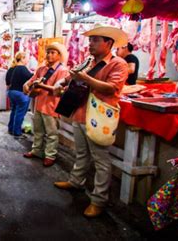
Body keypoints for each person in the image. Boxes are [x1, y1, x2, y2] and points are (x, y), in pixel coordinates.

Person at [53, 25, 128, 218]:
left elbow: (112, 88)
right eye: (90, 40)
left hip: (99, 118)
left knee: (100, 160)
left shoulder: (117, 64)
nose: (90, 44)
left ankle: (98, 200)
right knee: (81, 153)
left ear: (108, 43)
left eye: (95, 40)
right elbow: (72, 77)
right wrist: (61, 83)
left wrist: (85, 78)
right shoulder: (88, 61)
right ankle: (76, 182)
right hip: (80, 113)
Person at [22, 43, 69, 167]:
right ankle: (36, 150)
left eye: (53, 52)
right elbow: (31, 80)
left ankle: (50, 155)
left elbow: (57, 89)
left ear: (59, 55)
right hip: (38, 104)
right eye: (48, 52)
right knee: (38, 130)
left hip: (52, 107)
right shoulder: (41, 69)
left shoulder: (63, 71)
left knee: (51, 133)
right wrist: (26, 85)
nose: (49, 55)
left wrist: (40, 85)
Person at [6, 52, 33, 137]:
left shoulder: (13, 68)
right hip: (20, 93)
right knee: (20, 113)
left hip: (12, 92)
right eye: (27, 58)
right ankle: (17, 132)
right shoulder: (22, 68)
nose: (28, 60)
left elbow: (7, 81)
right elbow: (31, 78)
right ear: (22, 58)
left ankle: (11, 129)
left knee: (14, 111)